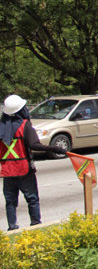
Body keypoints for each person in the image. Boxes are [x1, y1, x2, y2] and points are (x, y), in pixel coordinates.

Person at [0, 95, 66, 231]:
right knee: (32, 199)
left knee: (10, 202)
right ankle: (36, 225)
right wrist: (54, 148)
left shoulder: (1, 128)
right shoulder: (25, 126)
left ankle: (12, 227)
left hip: (8, 171)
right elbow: (34, 145)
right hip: (24, 169)